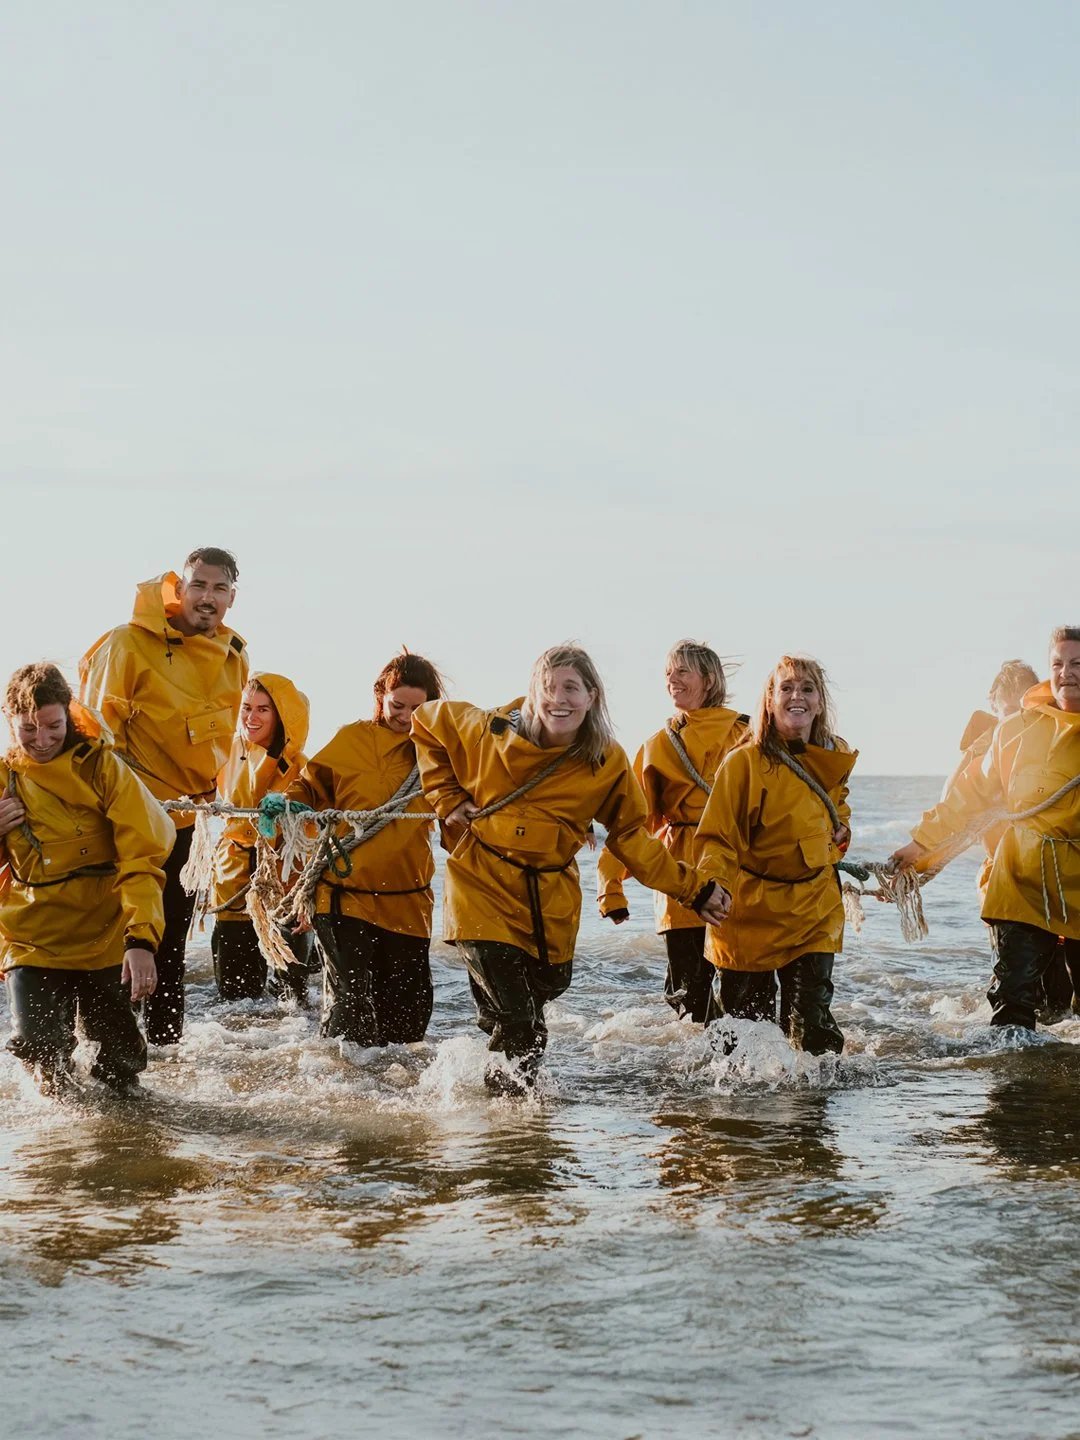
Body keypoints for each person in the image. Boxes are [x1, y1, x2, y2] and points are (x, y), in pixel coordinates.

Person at [410, 644, 729, 1092]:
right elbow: (425, 722)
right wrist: (445, 796)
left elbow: (633, 839)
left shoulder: (606, 760)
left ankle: (507, 1115)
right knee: (519, 1022)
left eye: (571, 688)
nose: (558, 699)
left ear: (592, 696)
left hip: (549, 897)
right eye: (548, 688)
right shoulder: (488, 730)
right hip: (480, 886)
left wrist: (693, 890)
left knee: (537, 1012)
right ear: (532, 692)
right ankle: (509, 1133)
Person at [80, 548, 248, 1044]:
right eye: (198, 585)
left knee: (171, 946)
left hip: (190, 823)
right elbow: (93, 734)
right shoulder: (126, 644)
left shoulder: (236, 651)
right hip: (126, 821)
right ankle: (105, 1054)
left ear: (232, 597)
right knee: (118, 941)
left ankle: (166, 1062)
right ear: (180, 587)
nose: (207, 598)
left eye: (219, 589)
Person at [891, 627, 1080, 1030]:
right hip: (1020, 883)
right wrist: (921, 845)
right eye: (1059, 664)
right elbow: (967, 796)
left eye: (1078, 663)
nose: (1067, 673)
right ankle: (1012, 1090)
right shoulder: (1016, 730)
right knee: (1012, 1008)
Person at [0, 663, 174, 1094]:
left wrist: (140, 942)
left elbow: (142, 859)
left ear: (69, 714)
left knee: (118, 1069)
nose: (41, 741)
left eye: (53, 726)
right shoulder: (4, 776)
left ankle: (126, 1147)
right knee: (40, 1052)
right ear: (9, 721)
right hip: (31, 938)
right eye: (27, 730)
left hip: (107, 930)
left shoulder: (103, 768)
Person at [695, 655, 856, 1055]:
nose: (796, 696)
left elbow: (837, 806)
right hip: (750, 911)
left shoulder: (833, 753)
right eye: (786, 688)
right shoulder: (743, 763)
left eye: (806, 689)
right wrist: (712, 885)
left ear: (820, 702)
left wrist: (841, 832)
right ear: (769, 700)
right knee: (744, 1042)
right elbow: (717, 837)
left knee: (813, 1036)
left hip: (814, 907)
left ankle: (812, 1114)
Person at [286, 651, 444, 1046]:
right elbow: (309, 785)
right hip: (343, 898)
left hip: (409, 903)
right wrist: (290, 802)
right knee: (351, 1011)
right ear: (380, 698)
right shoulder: (351, 740)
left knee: (408, 1020)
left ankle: (395, 1103)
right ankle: (340, 1097)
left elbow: (466, 814)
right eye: (398, 705)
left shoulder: (442, 756)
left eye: (417, 708)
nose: (406, 716)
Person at [596, 640, 748, 1022]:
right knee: (689, 992)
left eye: (682, 672)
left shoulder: (749, 735)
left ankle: (747, 1070)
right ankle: (696, 1073)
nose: (671, 680)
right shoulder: (658, 746)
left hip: (739, 869)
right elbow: (631, 822)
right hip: (680, 876)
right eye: (668, 673)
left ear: (709, 680)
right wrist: (610, 886)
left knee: (744, 988)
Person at [210, 673, 311, 1003]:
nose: (251, 718)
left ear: (281, 714)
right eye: (246, 707)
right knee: (235, 997)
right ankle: (238, 1050)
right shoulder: (229, 750)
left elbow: (315, 831)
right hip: (232, 875)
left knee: (292, 1000)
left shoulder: (302, 767)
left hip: (284, 880)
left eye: (263, 710)